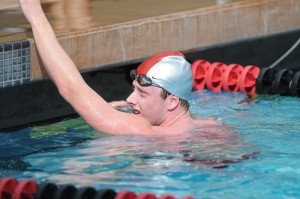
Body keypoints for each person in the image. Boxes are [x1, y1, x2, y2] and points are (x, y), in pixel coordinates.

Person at [19, 0, 219, 135]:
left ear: (172, 102)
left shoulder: (141, 130)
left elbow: (72, 90)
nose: (129, 99)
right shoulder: (210, 125)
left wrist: (36, 18)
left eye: (142, 93)